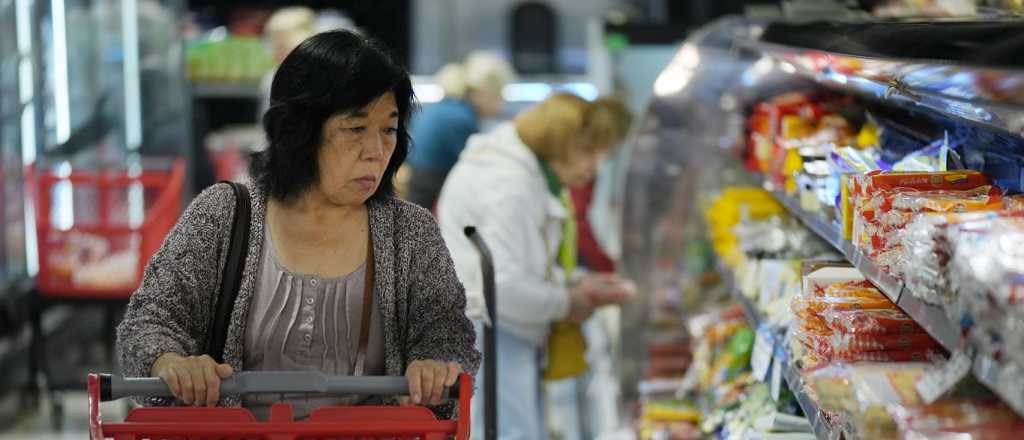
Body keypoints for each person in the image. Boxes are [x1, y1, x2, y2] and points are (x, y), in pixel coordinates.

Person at [117, 30, 479, 420]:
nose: (376, 151)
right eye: (356, 129)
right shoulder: (223, 214)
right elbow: (150, 320)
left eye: (388, 130)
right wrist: (170, 361)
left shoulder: (410, 232)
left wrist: (434, 366)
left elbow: (447, 334)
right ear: (300, 131)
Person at [436, 93, 634, 439]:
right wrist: (568, 301)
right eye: (588, 152)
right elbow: (504, 286)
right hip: (492, 330)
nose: (595, 167)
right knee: (509, 430)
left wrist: (578, 283)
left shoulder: (519, 174)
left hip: (498, 327)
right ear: (560, 145)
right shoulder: (510, 186)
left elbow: (523, 263)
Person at [404, 52, 515, 210]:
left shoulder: (438, 108)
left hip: (416, 183)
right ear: (480, 93)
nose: (501, 103)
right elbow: (475, 164)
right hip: (433, 189)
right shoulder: (462, 117)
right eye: (498, 95)